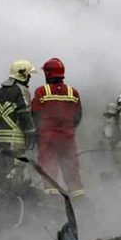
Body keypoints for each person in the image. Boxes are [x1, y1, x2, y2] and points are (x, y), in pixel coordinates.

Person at [32, 58, 84, 197]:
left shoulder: (42, 92)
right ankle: (79, 198)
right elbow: (78, 116)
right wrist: (68, 130)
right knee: (72, 169)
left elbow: (35, 114)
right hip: (68, 139)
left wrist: (37, 133)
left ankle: (52, 199)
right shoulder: (73, 92)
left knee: (49, 169)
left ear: (48, 73)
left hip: (48, 138)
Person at [0, 60, 37, 178]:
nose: (30, 77)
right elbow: (24, 113)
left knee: (0, 171)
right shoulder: (22, 90)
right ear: (22, 74)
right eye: (28, 74)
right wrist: (30, 132)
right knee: (16, 172)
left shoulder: (0, 91)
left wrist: (2, 129)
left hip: (1, 139)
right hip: (15, 140)